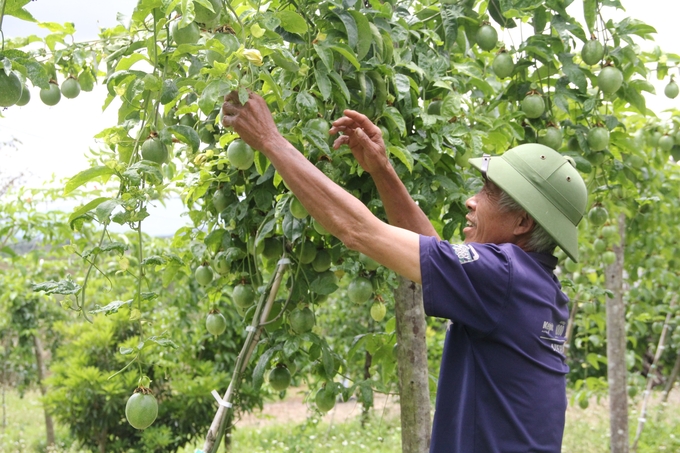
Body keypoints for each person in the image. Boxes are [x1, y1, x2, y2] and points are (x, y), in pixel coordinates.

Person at [221, 90, 588, 453]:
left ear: (522, 221)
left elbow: (358, 230)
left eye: (488, 192)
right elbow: (434, 254)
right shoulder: (534, 284)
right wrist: (382, 169)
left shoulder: (503, 276)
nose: (471, 200)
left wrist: (270, 140)